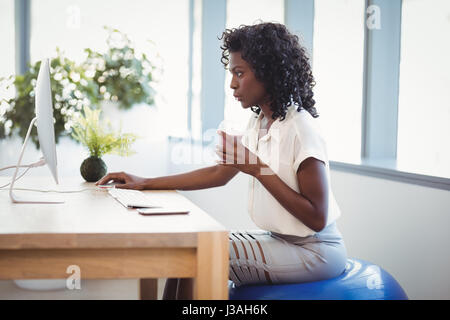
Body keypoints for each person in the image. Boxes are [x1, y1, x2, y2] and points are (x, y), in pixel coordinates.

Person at [95, 22, 347, 299]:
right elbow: (219, 174)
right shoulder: (260, 121)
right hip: (281, 240)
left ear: (268, 73)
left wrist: (256, 169)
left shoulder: (300, 128)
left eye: (240, 73)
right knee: (188, 245)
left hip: (315, 251)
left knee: (202, 254)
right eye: (232, 73)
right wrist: (145, 182)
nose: (232, 84)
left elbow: (317, 217)